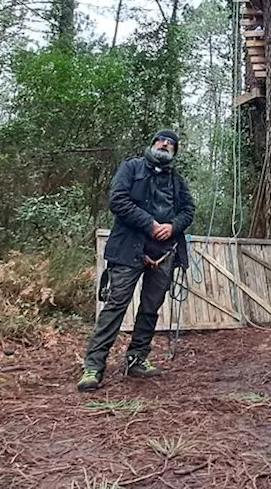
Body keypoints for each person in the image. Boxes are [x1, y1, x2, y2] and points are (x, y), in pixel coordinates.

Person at [78, 130, 195, 392]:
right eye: (161, 140)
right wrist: (151, 224)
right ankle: (93, 367)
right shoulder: (131, 168)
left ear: (174, 151)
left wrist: (172, 227)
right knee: (115, 306)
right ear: (152, 144)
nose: (165, 144)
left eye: (171, 143)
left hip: (165, 252)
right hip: (128, 249)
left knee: (150, 309)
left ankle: (137, 359)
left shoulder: (177, 181)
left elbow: (188, 211)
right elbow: (118, 201)